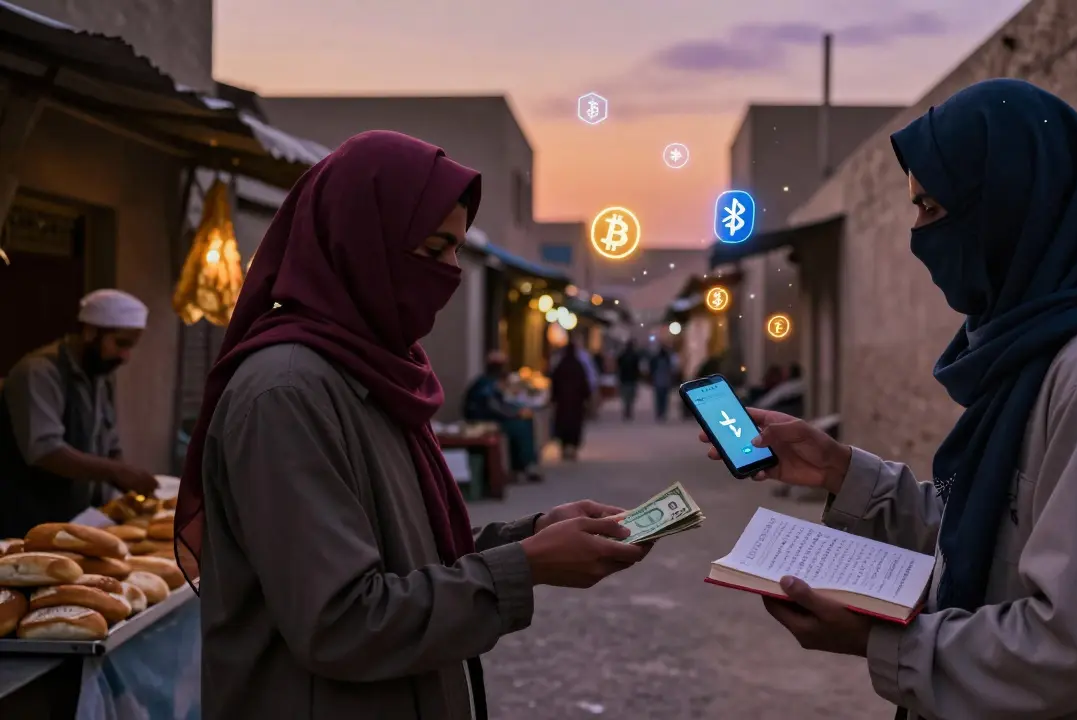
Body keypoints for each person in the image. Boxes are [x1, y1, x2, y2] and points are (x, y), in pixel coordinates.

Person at [700, 79, 1077, 720]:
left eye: (934, 209)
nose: (918, 236)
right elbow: (989, 535)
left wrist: (881, 645)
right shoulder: (1035, 355)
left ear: (1010, 206)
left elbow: (1076, 644)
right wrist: (839, 471)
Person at [174, 131, 649, 720]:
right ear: (359, 244)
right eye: (431, 250)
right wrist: (526, 566)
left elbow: (407, 556)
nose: (450, 273)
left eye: (455, 249)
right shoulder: (288, 392)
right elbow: (341, 621)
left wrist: (530, 534)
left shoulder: (371, 370)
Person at [0, 289, 159, 537]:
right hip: (28, 523)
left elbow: (110, 444)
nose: (126, 356)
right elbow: (45, 452)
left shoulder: (100, 377)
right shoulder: (39, 372)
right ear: (90, 332)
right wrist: (115, 471)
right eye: (121, 344)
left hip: (78, 521)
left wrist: (126, 486)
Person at [462, 351, 542, 483]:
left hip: (492, 418)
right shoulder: (487, 383)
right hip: (483, 421)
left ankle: (523, 466)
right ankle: (525, 465)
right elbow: (494, 407)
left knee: (524, 424)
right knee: (520, 428)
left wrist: (516, 411)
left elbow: (502, 404)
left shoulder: (489, 382)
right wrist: (514, 413)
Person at [549, 334, 595, 460]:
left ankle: (564, 448)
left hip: (562, 402)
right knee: (575, 426)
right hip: (576, 403)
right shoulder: (578, 366)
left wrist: (553, 398)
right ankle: (572, 449)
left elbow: (554, 383)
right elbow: (584, 383)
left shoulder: (560, 365)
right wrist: (587, 398)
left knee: (563, 425)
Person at [648, 341, 676, 421]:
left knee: (659, 399)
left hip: (659, 381)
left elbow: (651, 371)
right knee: (664, 399)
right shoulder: (667, 359)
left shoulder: (656, 359)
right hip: (665, 382)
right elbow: (671, 371)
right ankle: (662, 413)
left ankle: (660, 413)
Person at [616, 339, 642, 420]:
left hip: (624, 379)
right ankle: (629, 411)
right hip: (632, 379)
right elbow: (637, 368)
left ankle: (626, 411)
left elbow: (618, 365)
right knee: (630, 397)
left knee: (625, 397)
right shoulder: (635, 356)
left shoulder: (623, 355)